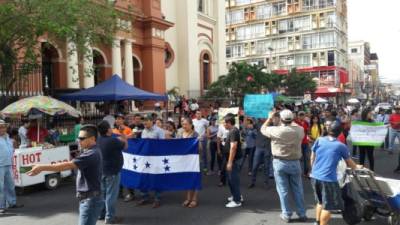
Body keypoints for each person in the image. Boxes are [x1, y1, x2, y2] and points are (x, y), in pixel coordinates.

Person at [27, 125, 103, 225]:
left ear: (92, 139)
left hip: (90, 199)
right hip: (89, 198)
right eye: (78, 138)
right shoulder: (91, 151)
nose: (79, 141)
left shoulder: (92, 153)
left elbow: (66, 165)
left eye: (82, 138)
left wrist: (41, 167)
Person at [310, 121, 361, 225]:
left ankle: (317, 222)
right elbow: (350, 163)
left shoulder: (319, 140)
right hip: (328, 179)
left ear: (329, 130)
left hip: (315, 176)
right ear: (340, 133)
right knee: (328, 206)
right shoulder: (340, 146)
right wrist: (356, 167)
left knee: (320, 201)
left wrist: (314, 170)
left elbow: (312, 157)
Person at [261, 109, 307, 223]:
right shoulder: (300, 130)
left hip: (280, 162)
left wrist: (270, 118)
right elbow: (294, 125)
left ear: (281, 119)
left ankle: (286, 214)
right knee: (298, 189)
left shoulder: (276, 130)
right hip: (295, 162)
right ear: (292, 118)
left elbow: (263, 129)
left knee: (283, 190)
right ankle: (302, 213)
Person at [97, 121, 127, 224]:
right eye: (109, 127)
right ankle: (110, 218)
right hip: (112, 171)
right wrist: (123, 134)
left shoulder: (98, 139)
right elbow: (125, 145)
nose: (111, 128)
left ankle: (101, 214)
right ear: (107, 130)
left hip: (101, 170)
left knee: (103, 194)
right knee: (111, 195)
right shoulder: (112, 141)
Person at [137, 114, 164, 208]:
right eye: (143, 120)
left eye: (146, 120)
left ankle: (157, 198)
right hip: (145, 159)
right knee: (144, 177)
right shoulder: (144, 131)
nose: (144, 122)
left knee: (156, 177)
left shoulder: (159, 131)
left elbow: (162, 145)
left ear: (151, 121)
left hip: (156, 158)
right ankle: (144, 197)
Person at [0, 120, 23, 214]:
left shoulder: (7, 138)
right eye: (0, 127)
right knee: (0, 187)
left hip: (8, 164)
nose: (2, 128)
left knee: (10, 185)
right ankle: (1, 206)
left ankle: (12, 203)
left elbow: (11, 149)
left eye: (3, 126)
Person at [176, 117, 200, 208]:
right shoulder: (179, 133)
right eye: (183, 124)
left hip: (194, 160)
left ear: (191, 125)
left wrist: (198, 143)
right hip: (183, 160)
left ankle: (194, 199)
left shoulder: (195, 134)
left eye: (186, 124)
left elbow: (200, 148)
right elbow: (176, 145)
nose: (184, 126)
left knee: (194, 179)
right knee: (186, 179)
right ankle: (188, 198)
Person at [223, 114, 243, 208]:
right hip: (233, 159)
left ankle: (237, 200)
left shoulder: (233, 131)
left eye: (224, 123)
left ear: (229, 123)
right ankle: (236, 195)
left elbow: (233, 147)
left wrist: (230, 162)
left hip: (234, 160)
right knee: (232, 179)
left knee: (233, 179)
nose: (223, 124)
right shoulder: (233, 130)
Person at [295, 111, 310, 177]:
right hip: (298, 143)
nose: (301, 116)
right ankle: (297, 172)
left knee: (306, 158)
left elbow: (307, 132)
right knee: (298, 158)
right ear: (298, 116)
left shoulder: (306, 123)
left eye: (302, 115)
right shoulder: (295, 123)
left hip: (305, 142)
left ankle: (306, 172)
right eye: (300, 115)